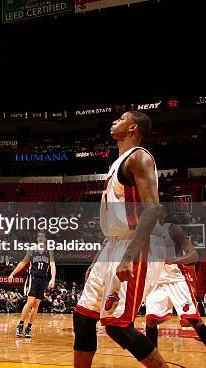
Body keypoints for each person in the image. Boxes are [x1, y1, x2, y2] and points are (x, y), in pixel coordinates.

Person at [73, 111, 168, 368]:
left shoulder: (139, 157)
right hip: (114, 244)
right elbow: (116, 225)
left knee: (117, 326)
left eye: (122, 118)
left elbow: (153, 211)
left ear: (133, 128)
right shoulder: (117, 163)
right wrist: (98, 260)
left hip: (138, 244)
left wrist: (128, 256)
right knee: (82, 319)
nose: (116, 120)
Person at [144, 220, 206, 346]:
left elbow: (193, 255)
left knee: (193, 319)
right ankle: (153, 359)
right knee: (151, 320)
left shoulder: (172, 229)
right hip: (156, 280)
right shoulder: (143, 231)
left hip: (175, 278)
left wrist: (174, 260)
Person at [9, 230, 56, 338]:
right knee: (30, 302)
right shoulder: (31, 250)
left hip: (43, 279)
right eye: (38, 236)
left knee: (36, 305)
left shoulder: (49, 251)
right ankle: (20, 325)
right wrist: (13, 273)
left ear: (45, 239)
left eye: (42, 236)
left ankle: (29, 327)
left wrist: (53, 278)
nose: (40, 238)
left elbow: (53, 265)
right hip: (33, 278)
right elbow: (23, 262)